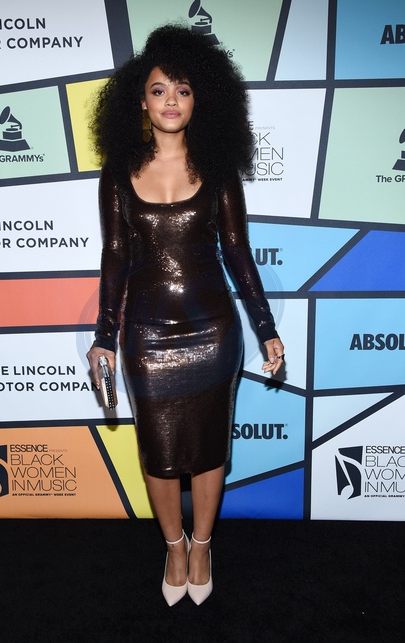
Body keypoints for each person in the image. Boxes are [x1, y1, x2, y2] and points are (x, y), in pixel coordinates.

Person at [87, 24, 284, 606]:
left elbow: (238, 252)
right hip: (146, 338)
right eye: (158, 90)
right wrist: (103, 337)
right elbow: (115, 255)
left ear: (201, 101)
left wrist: (266, 329)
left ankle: (202, 546)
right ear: (140, 101)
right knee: (159, 451)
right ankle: (173, 547)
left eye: (183, 89)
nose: (170, 100)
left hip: (214, 333)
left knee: (209, 449)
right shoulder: (117, 173)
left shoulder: (217, 169)